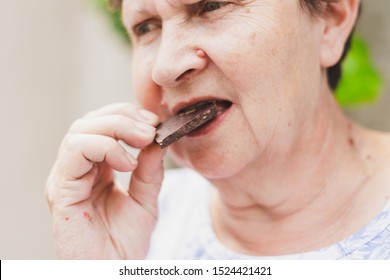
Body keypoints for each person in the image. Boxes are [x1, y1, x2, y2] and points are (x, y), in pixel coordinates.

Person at [46, 0, 390, 259]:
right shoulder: (137, 225)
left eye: (212, 5)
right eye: (146, 27)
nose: (165, 68)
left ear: (331, 18)